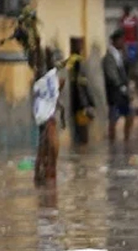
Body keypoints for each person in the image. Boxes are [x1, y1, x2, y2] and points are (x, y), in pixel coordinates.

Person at [33, 48, 63, 186]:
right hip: (46, 121)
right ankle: (44, 178)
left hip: (47, 120)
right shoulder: (46, 82)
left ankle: (43, 178)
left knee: (46, 153)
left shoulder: (52, 82)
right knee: (46, 152)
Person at [103, 29, 132, 142]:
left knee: (129, 115)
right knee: (113, 118)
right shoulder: (109, 57)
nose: (123, 42)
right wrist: (120, 86)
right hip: (114, 92)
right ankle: (112, 141)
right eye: (121, 40)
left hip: (122, 92)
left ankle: (126, 139)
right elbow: (111, 74)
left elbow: (126, 70)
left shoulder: (119, 55)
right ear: (115, 41)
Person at [66, 37, 94, 145]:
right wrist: (87, 102)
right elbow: (80, 83)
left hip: (77, 101)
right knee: (82, 128)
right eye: (79, 44)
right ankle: (82, 148)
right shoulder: (77, 60)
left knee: (79, 127)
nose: (81, 47)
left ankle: (80, 148)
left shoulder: (72, 60)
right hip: (80, 101)